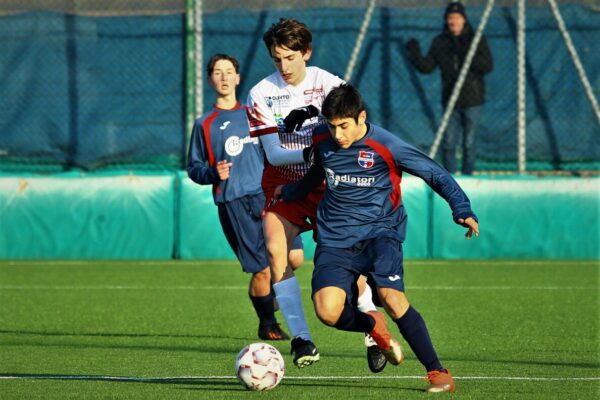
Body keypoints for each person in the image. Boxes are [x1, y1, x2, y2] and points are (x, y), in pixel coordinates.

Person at [278, 84, 479, 393]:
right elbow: (318, 173)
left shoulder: (386, 145)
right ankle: (372, 325)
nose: (338, 135)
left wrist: (461, 208)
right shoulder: (322, 138)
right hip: (335, 238)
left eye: (344, 126)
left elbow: (434, 173)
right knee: (327, 312)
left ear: (361, 117)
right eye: (332, 126)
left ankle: (438, 371)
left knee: (392, 298)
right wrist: (290, 192)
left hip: (380, 233)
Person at [247, 18, 385, 371]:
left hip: (329, 183)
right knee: (277, 251)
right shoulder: (260, 93)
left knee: (349, 263)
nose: (284, 66)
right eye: (277, 59)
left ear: (306, 53)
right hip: (282, 185)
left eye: (291, 57)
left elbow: (354, 131)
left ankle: (373, 329)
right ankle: (301, 339)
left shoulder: (329, 85)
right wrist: (318, 150)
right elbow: (276, 154)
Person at [187, 53, 302, 342]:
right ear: (210, 79)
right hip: (235, 202)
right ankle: (267, 323)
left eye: (229, 72)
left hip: (268, 195)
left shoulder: (255, 113)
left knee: (295, 257)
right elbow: (194, 168)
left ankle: (270, 296)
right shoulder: (205, 124)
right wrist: (212, 173)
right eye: (217, 72)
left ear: (238, 78)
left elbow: (277, 149)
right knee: (263, 270)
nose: (224, 77)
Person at [406, 1, 493, 175]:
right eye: (450, 18)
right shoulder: (440, 42)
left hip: (472, 100)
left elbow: (487, 66)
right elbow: (427, 66)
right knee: (448, 143)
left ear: (464, 20)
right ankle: (449, 178)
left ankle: (468, 176)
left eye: (457, 18)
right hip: (450, 100)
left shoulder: (475, 39)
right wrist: (414, 54)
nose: (454, 22)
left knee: (469, 142)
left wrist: (467, 54)